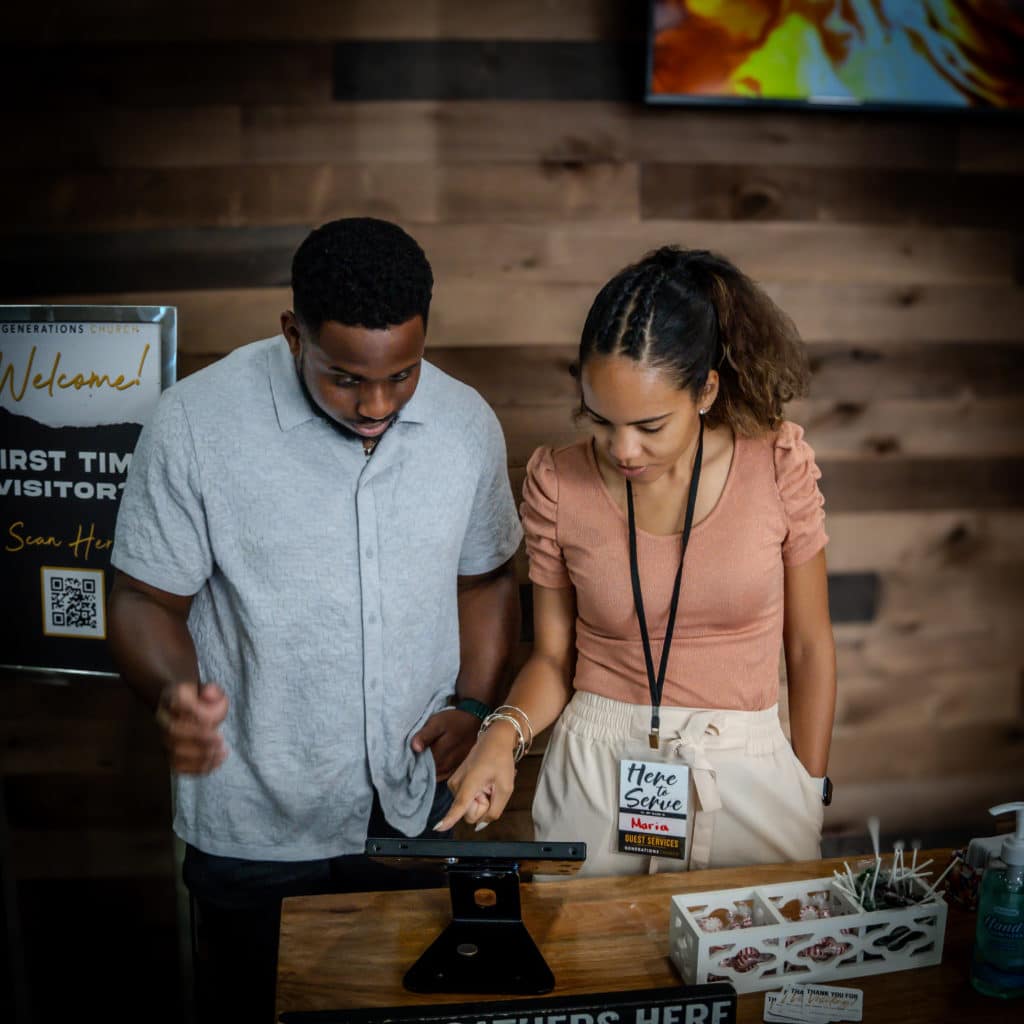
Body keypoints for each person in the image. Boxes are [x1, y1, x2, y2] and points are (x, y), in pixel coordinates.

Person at [107, 217, 523, 1021]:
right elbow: (143, 598)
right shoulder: (195, 422)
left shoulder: (466, 423)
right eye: (345, 377)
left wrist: (473, 703)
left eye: (403, 375)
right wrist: (175, 695)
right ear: (293, 333)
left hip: (412, 805)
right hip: (253, 817)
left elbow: (487, 580)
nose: (377, 404)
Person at [438, 245, 836, 878]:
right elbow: (552, 659)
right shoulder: (557, 483)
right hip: (597, 771)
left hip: (747, 770)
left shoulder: (776, 465)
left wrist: (810, 788)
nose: (623, 449)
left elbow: (810, 646)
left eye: (650, 426)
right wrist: (501, 736)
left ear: (705, 390)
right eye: (600, 420)